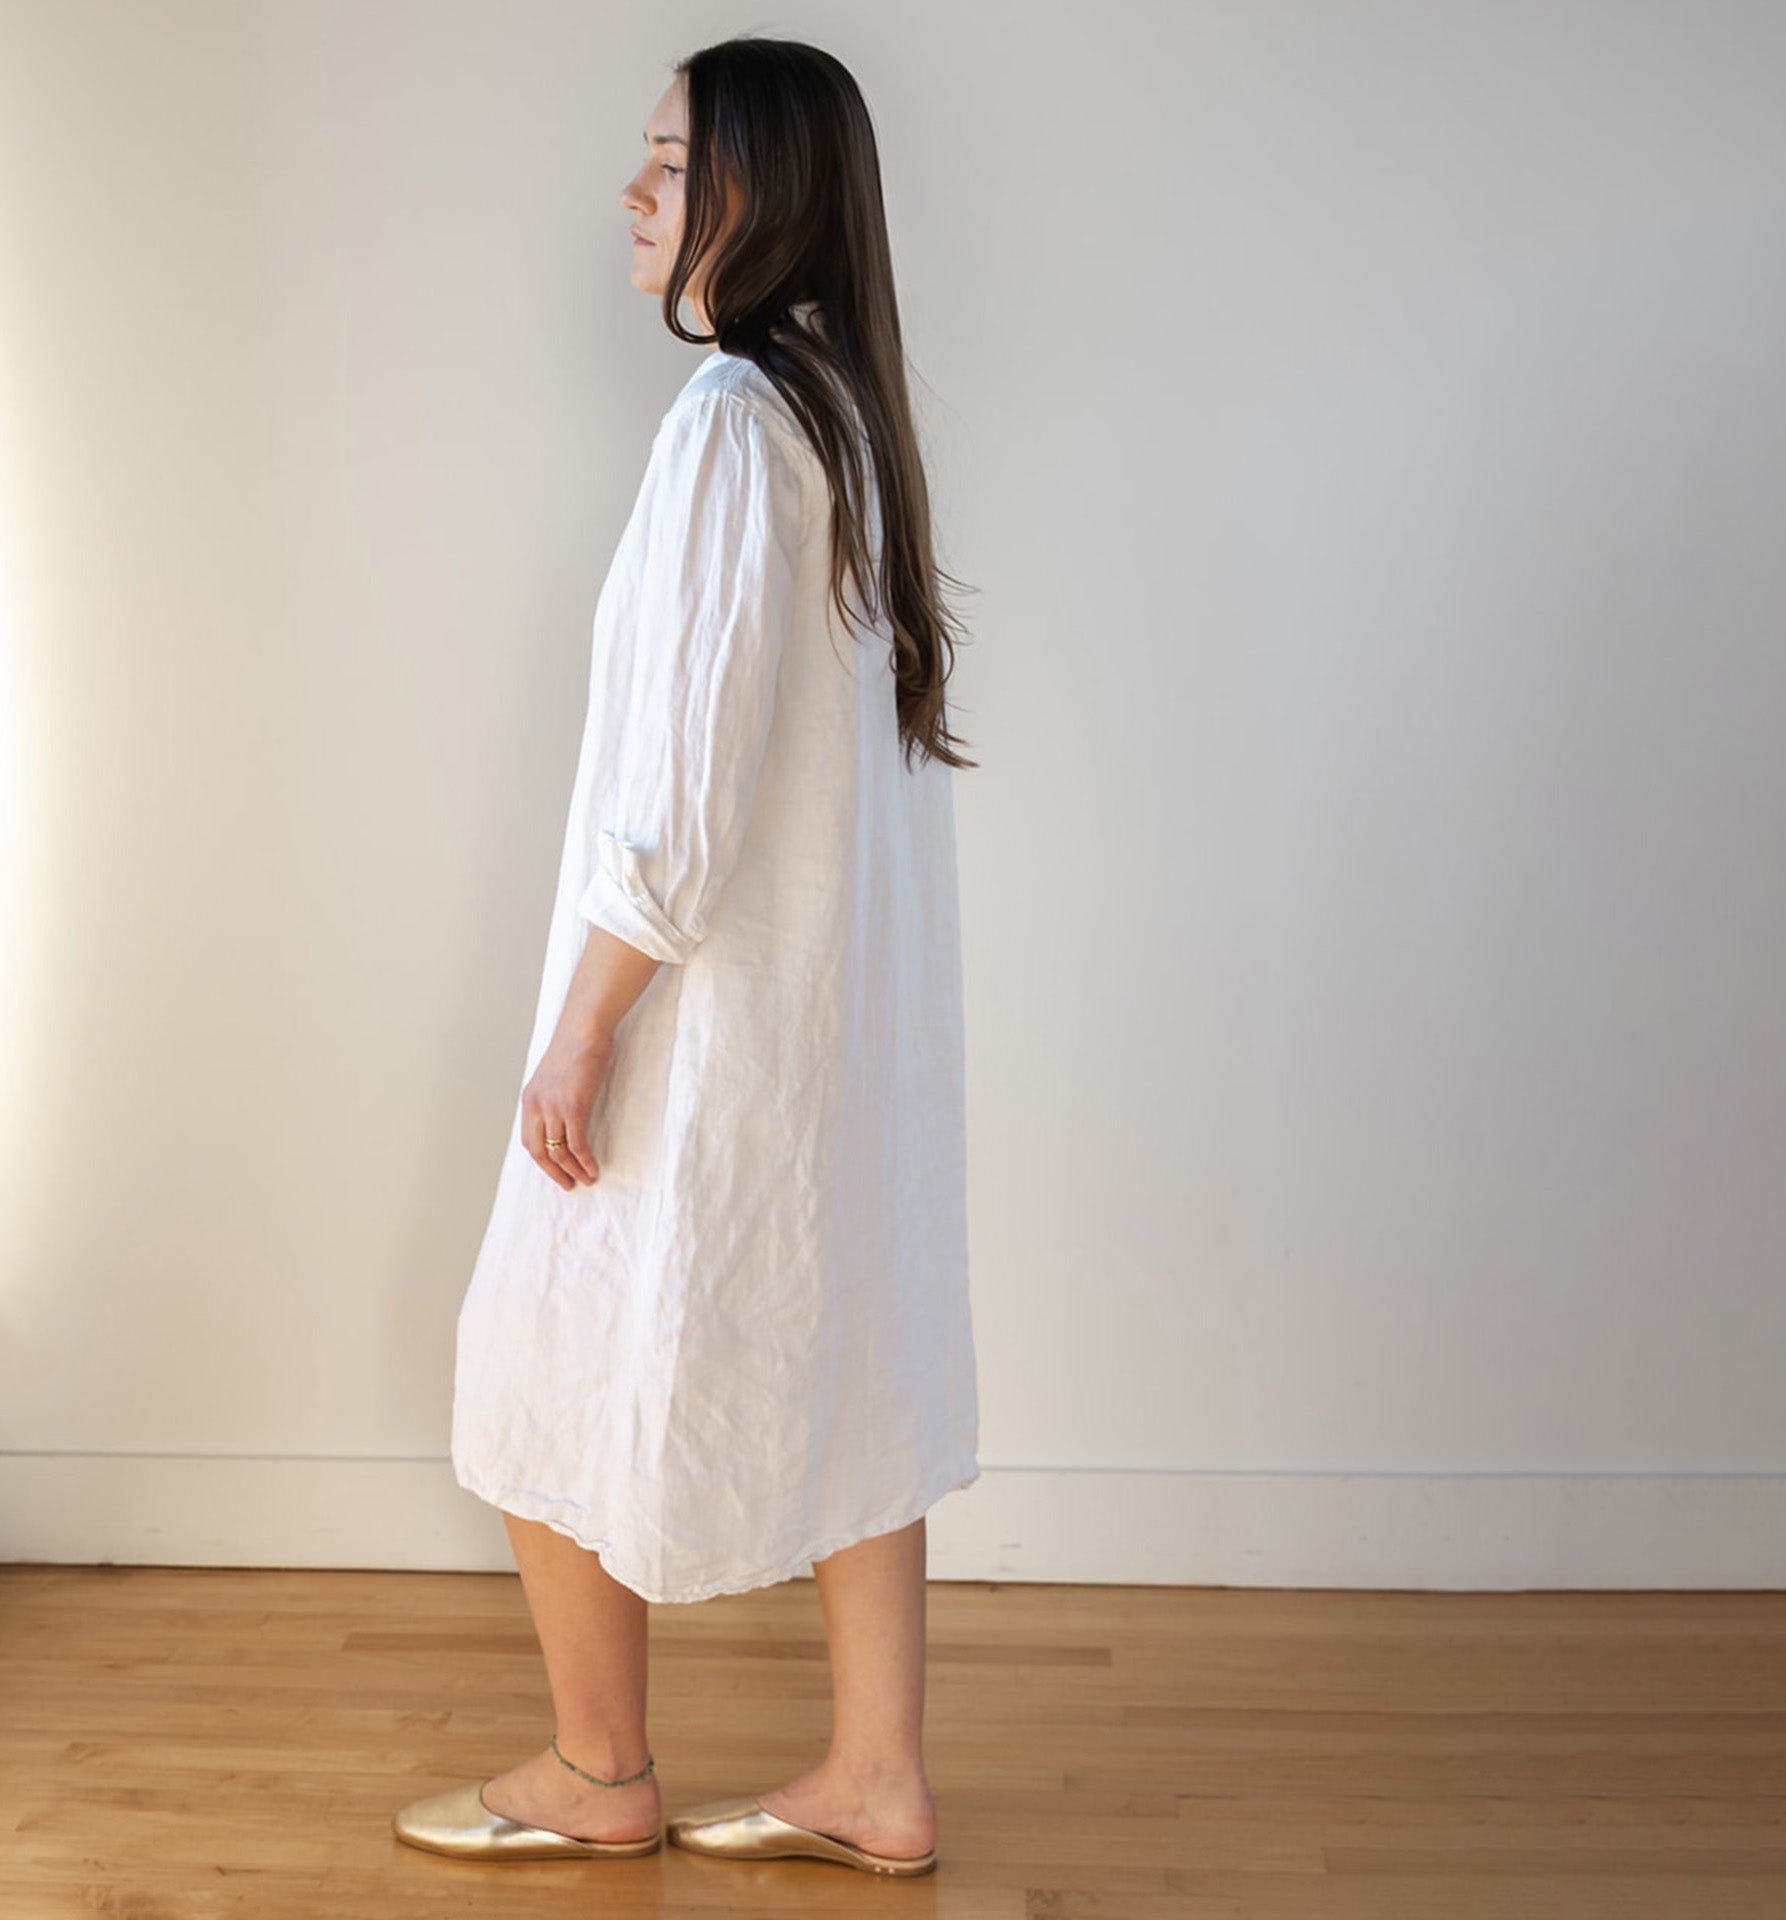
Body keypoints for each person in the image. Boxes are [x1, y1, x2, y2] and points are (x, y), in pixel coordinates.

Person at [392, 36, 979, 1880]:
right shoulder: (842, 422)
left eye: (669, 161)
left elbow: (677, 802)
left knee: (528, 1352)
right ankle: (875, 1777)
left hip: (702, 1026)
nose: (634, 193)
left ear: (762, 194)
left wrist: (578, 1036)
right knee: (856, 1369)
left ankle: (600, 1766)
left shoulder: (734, 425)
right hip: (830, 1038)